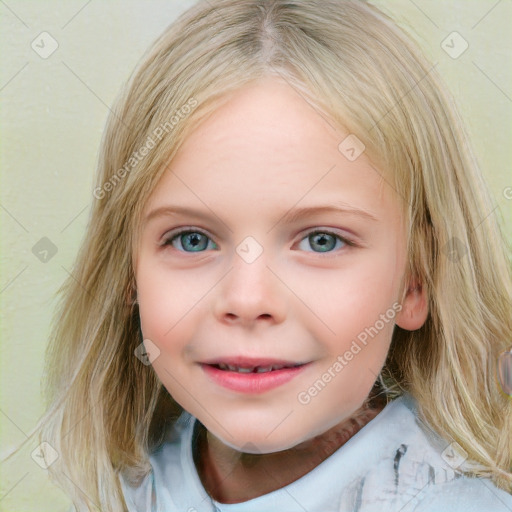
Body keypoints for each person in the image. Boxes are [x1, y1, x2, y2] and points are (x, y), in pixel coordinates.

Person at [5, 0, 511, 510]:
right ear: (129, 271)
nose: (247, 300)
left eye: (322, 240)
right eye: (192, 239)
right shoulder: (128, 485)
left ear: (415, 279)